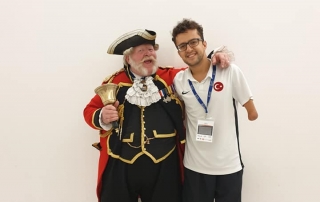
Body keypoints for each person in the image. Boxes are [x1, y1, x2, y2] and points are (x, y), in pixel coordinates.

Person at [83, 29, 231, 202]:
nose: (148, 54)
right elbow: (89, 111)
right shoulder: (114, 83)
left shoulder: (171, 77)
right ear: (128, 58)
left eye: (151, 49)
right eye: (141, 51)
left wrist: (216, 56)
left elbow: (199, 71)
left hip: (165, 163)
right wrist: (102, 115)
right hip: (120, 162)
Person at [171, 19, 258, 202]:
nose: (189, 49)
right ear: (178, 52)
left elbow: (252, 112)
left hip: (229, 166)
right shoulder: (179, 80)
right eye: (182, 45)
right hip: (195, 167)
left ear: (204, 43)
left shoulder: (229, 71)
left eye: (194, 42)